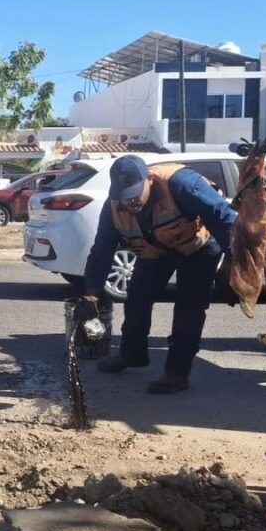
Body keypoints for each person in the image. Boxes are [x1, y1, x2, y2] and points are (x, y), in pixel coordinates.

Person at [77, 156, 236, 394]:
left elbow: (226, 221)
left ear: (149, 180)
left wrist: (233, 263)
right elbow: (102, 248)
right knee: (137, 297)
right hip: (156, 249)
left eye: (134, 195)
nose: (130, 203)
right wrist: (91, 293)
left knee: (189, 307)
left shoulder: (183, 185)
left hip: (198, 246)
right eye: (124, 197)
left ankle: (177, 373)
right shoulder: (113, 206)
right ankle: (132, 355)